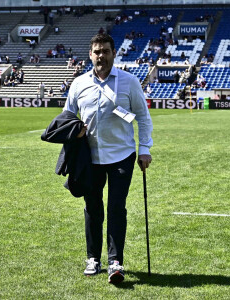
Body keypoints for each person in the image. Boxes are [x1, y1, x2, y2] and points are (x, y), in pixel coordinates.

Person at [63, 33, 153, 284]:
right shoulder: (79, 83)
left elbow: (143, 118)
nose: (100, 55)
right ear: (90, 55)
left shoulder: (129, 81)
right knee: (92, 209)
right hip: (89, 158)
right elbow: (66, 116)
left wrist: (145, 148)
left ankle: (116, 261)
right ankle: (93, 257)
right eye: (96, 51)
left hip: (122, 156)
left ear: (114, 53)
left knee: (116, 208)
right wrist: (74, 130)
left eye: (105, 51)